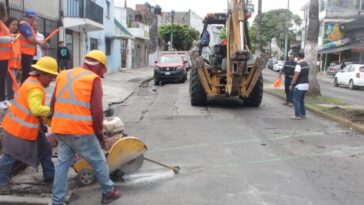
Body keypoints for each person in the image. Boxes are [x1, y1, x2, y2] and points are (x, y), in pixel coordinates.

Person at [51, 50, 121, 205]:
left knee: (62, 164)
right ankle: (108, 192)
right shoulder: (93, 79)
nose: (101, 75)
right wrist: (99, 135)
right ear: (99, 67)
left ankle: (57, 201)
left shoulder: (63, 74)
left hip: (61, 129)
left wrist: (55, 124)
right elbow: (97, 113)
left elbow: (53, 104)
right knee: (99, 161)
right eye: (103, 72)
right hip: (80, 130)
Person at [0, 56, 58, 186]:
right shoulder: (35, 89)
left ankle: (50, 177)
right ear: (43, 74)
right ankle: (1, 182)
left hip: (24, 126)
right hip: (19, 129)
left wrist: (42, 123)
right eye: (51, 77)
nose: (52, 80)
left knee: (45, 150)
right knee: (10, 156)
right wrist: (52, 111)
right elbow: (36, 109)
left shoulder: (31, 81)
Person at [19, 9, 46, 83]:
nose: (34, 21)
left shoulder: (26, 26)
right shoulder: (24, 25)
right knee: (26, 74)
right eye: (34, 19)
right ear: (31, 17)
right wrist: (39, 42)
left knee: (26, 73)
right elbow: (30, 39)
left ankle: (24, 89)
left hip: (27, 54)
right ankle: (24, 90)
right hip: (25, 53)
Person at [0, 2, 14, 110]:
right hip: (1, 56)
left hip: (4, 57)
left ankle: (3, 98)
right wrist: (8, 39)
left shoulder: (2, 24)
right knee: (1, 79)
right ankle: (1, 100)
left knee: (2, 79)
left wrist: (11, 36)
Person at [289, 51, 309, 120]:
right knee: (301, 100)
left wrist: (292, 84)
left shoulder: (299, 65)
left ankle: (297, 115)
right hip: (306, 84)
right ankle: (303, 114)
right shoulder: (306, 64)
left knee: (296, 99)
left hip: (300, 85)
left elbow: (296, 75)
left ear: (298, 57)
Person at [5, 16, 21, 104]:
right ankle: (7, 99)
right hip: (7, 63)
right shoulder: (6, 36)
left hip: (14, 65)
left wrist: (18, 67)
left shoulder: (17, 38)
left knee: (12, 83)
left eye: (16, 25)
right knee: (9, 83)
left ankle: (10, 98)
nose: (15, 27)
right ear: (8, 25)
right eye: (13, 24)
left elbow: (18, 53)